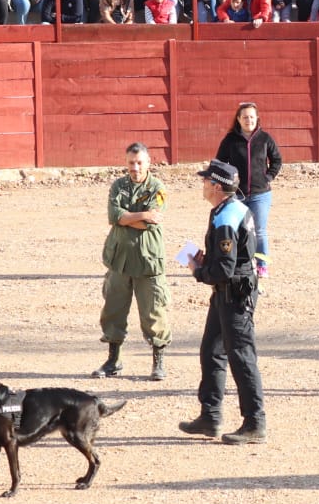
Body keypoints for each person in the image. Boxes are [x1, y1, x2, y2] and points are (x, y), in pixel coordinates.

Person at [179, 159, 266, 445]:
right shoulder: (229, 209)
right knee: (212, 351)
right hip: (227, 294)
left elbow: (225, 270)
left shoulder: (225, 218)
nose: (202, 184)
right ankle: (211, 416)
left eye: (206, 180)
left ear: (217, 186)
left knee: (241, 356)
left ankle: (254, 423)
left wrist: (198, 270)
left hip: (233, 294)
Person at [93, 143, 171, 380]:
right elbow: (113, 215)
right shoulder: (119, 185)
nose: (135, 168)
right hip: (120, 260)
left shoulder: (157, 187)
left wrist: (126, 219)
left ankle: (158, 362)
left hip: (148, 259)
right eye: (131, 163)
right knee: (114, 310)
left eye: (139, 162)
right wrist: (139, 216)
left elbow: (151, 221)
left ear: (148, 163)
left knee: (153, 311)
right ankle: (113, 361)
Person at [213, 102, 283, 277]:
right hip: (237, 194)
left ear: (257, 118)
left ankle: (262, 265)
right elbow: (219, 163)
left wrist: (268, 178)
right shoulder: (230, 140)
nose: (248, 120)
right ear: (238, 119)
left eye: (251, 117)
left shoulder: (265, 139)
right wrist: (226, 184)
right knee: (236, 229)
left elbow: (276, 160)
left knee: (259, 230)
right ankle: (236, 264)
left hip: (261, 194)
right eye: (245, 117)